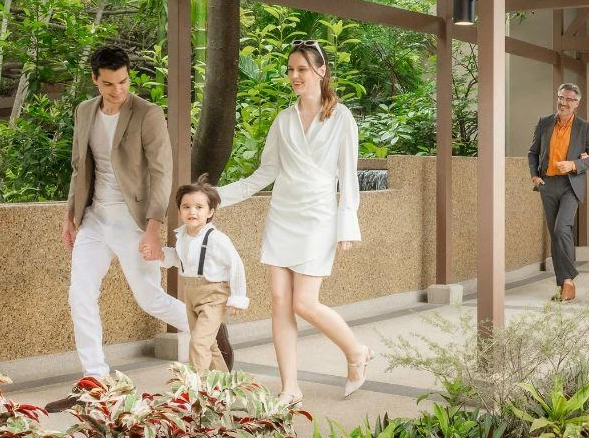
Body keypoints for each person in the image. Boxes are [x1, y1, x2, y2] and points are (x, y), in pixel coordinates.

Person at [215, 39, 371, 407]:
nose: (294, 75)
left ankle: (356, 351)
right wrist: (216, 197)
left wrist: (347, 224)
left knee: (304, 302)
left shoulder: (342, 117)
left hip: (318, 218)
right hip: (282, 216)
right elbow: (265, 173)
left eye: (302, 68)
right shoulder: (284, 119)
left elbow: (348, 176)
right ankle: (290, 388)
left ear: (321, 71)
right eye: (291, 69)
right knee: (280, 302)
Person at [47, 45, 190, 412]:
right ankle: (94, 377)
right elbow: (80, 168)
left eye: (123, 81)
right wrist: (70, 216)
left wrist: (154, 228)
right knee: (80, 294)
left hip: (134, 222)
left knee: (150, 299)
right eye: (109, 84)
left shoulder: (147, 114)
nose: (118, 90)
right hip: (94, 220)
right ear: (95, 80)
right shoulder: (84, 112)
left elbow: (162, 172)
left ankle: (206, 325)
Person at [144, 174, 249, 373]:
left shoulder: (217, 238)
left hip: (214, 294)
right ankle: (222, 386)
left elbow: (236, 264)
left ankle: (196, 390)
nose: (192, 211)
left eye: (199, 207)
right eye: (186, 207)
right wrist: (158, 255)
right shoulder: (182, 236)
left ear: (210, 212)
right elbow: (179, 259)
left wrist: (238, 297)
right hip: (191, 293)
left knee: (198, 343)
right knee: (208, 345)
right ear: (180, 210)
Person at [527, 83, 589, 302]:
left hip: (571, 185)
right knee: (556, 234)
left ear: (577, 103)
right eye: (561, 97)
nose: (563, 102)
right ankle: (564, 285)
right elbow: (533, 152)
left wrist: (574, 164)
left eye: (569, 99)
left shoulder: (585, 127)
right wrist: (534, 175)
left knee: (562, 229)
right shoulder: (544, 123)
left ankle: (569, 280)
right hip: (547, 184)